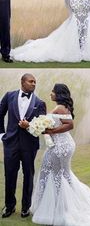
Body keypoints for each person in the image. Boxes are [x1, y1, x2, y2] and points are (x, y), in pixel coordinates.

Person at [19, 83, 90, 225]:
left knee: (52, 174)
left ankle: (60, 209)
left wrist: (48, 131)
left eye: (53, 91)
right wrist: (36, 127)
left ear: (58, 94)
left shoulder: (60, 108)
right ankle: (60, 206)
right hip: (63, 145)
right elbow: (52, 126)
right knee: (61, 174)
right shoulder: (61, 107)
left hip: (61, 146)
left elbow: (69, 124)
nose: (50, 93)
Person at [0, 73, 46, 219]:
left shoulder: (40, 103)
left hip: (29, 145)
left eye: (35, 82)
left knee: (28, 175)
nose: (33, 84)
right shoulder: (9, 96)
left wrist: (29, 125)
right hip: (10, 144)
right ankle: (9, 206)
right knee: (10, 175)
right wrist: (1, 134)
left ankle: (26, 207)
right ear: (22, 82)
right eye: (31, 81)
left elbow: (42, 127)